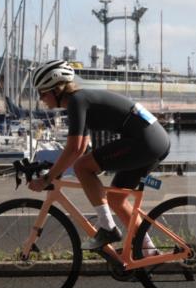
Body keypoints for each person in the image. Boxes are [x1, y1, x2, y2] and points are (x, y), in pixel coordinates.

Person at [27, 60, 171, 252]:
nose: (41, 99)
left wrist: (47, 178)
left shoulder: (77, 101)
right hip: (153, 140)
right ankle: (149, 251)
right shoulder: (82, 100)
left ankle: (107, 228)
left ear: (57, 89)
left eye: (42, 93)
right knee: (116, 199)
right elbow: (81, 145)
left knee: (82, 167)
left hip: (145, 141)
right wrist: (55, 170)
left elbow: (75, 150)